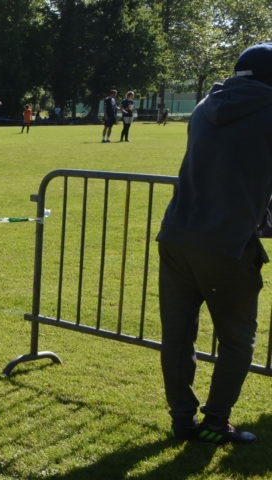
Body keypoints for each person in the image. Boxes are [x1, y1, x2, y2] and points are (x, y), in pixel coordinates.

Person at [155, 43, 272, 445]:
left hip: (176, 233)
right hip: (227, 243)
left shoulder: (206, 105)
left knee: (177, 336)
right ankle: (216, 423)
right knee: (238, 340)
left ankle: (182, 420)